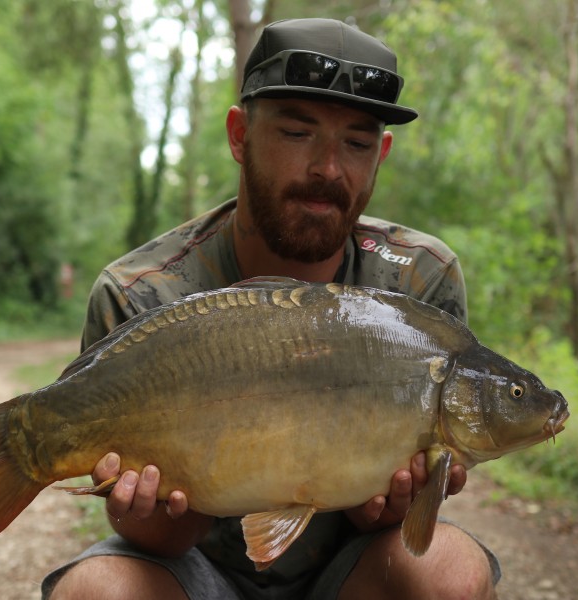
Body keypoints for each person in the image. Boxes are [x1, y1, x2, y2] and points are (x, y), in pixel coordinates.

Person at [44, 17, 500, 600]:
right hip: (191, 571)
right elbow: (157, 538)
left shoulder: (418, 279)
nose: (328, 168)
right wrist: (154, 508)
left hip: (352, 574)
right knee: (97, 592)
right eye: (296, 134)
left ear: (380, 154)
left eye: (356, 143)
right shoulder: (142, 292)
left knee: (452, 574)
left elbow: (391, 527)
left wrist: (397, 499)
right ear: (239, 136)